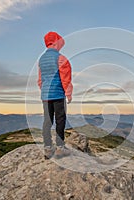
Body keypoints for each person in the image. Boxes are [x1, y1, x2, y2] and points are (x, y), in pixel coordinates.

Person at [37, 31, 73, 159]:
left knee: (47, 121)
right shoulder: (61, 58)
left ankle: (47, 147)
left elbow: (40, 80)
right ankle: (60, 148)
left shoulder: (41, 59)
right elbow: (65, 78)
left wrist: (44, 90)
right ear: (57, 42)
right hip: (58, 94)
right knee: (60, 120)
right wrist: (68, 94)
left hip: (45, 95)